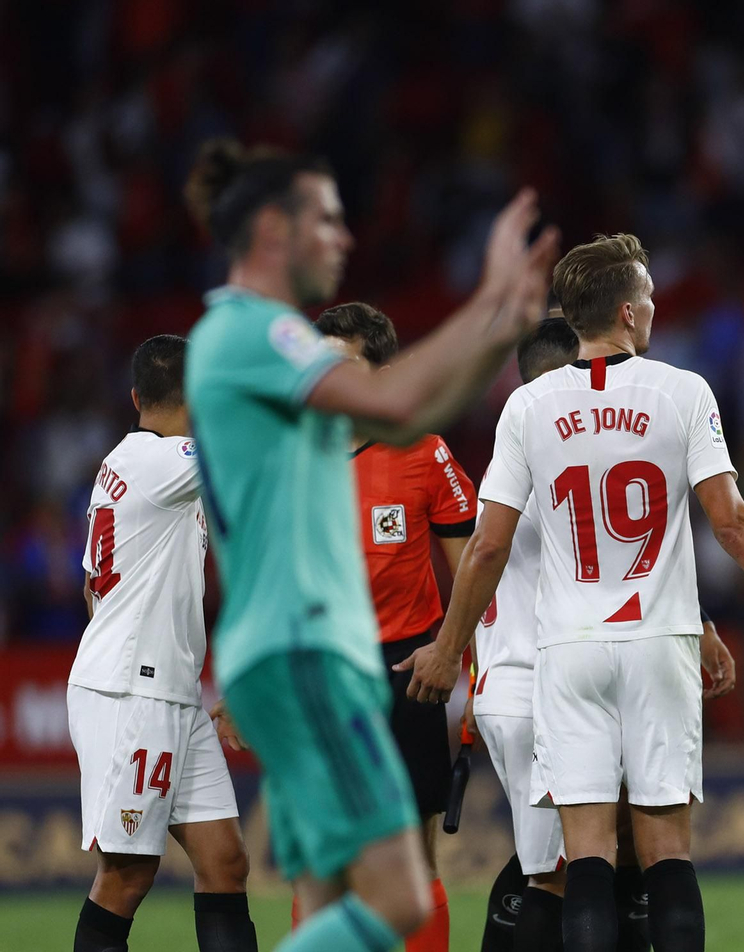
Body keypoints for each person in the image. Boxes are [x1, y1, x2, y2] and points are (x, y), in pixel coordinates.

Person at [403, 232, 744, 952]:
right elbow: (734, 523)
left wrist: (449, 651)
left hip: (569, 650)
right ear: (629, 313)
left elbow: (487, 545)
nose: (657, 306)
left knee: (589, 853)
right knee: (666, 852)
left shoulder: (528, 406)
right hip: (660, 641)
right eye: (652, 297)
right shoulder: (682, 391)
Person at [181, 136, 560, 952]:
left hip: (303, 650)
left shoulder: (250, 344)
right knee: (397, 896)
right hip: (305, 649)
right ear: (275, 230)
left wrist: (501, 335)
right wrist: (490, 299)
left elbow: (408, 420)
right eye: (328, 219)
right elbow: (393, 403)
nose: (345, 238)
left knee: (325, 894)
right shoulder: (260, 335)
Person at [460, 315, 738, 952]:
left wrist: (459, 655)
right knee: (569, 872)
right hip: (547, 678)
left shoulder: (518, 465)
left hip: (531, 679)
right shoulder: (550, 454)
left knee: (571, 863)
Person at [68, 335, 257, 952]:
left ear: (134, 397)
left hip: (170, 690)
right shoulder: (168, 460)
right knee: (126, 876)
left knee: (225, 863)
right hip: (132, 693)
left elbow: (93, 590)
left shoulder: (122, 465)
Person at [312, 301, 482, 952]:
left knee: (412, 855)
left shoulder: (420, 449)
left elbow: (473, 567)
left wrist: (456, 651)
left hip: (405, 670)